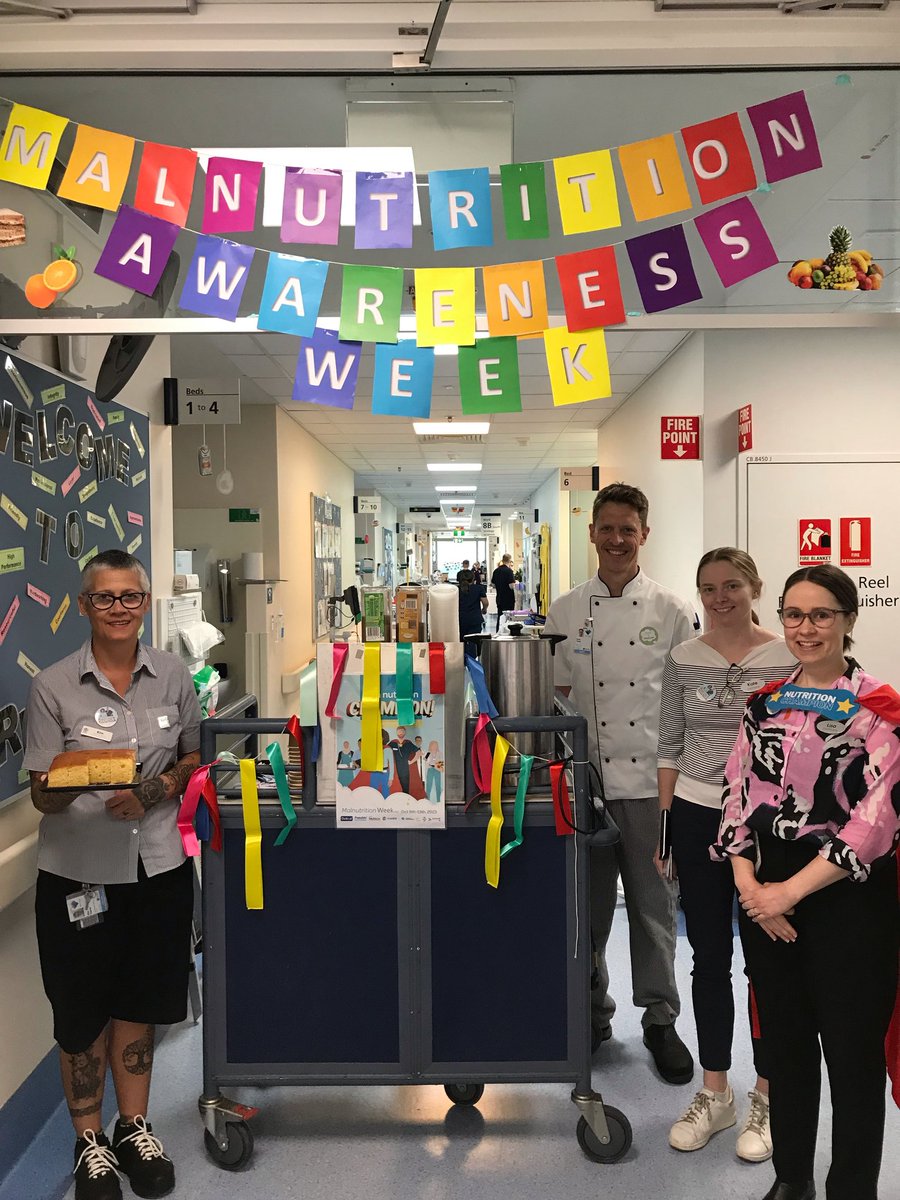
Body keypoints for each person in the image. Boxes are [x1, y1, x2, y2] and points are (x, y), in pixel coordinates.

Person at [714, 564, 900, 1200]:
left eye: (822, 615)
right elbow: (736, 795)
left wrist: (785, 894)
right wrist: (750, 887)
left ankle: (852, 1189)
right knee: (786, 1051)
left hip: (848, 902)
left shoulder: (880, 709)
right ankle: (791, 1178)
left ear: (848, 621)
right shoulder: (764, 704)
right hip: (765, 899)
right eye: (795, 614)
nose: (806, 627)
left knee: (852, 1059)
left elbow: (876, 821)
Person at [24, 549, 203, 1200]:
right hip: (81, 878)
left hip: (157, 868)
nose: (120, 608)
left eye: (130, 597)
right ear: (84, 606)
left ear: (146, 604)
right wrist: (65, 782)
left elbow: (192, 758)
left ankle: (133, 1126)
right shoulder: (52, 687)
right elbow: (41, 794)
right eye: (106, 597)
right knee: (81, 1010)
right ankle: (90, 1140)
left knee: (140, 1003)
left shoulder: (173, 675)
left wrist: (154, 789)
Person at [544, 482, 697, 1084]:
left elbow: (685, 700)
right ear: (592, 534)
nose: (616, 539)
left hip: (651, 784)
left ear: (643, 534)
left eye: (627, 529)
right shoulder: (566, 608)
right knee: (585, 910)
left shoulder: (671, 609)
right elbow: (557, 693)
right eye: (606, 528)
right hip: (584, 784)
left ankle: (660, 1019)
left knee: (654, 908)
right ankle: (590, 1013)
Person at [657, 548, 796, 1158]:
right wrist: (666, 827)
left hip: (767, 822)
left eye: (732, 585)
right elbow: (669, 741)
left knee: (766, 960)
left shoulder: (789, 655)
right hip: (694, 811)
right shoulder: (682, 657)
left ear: (755, 587)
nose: (720, 597)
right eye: (708, 587)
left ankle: (767, 1094)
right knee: (708, 955)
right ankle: (716, 1092)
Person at [457, 568, 488, 653]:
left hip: (460, 620)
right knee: (473, 643)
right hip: (475, 619)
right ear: (473, 579)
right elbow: (485, 602)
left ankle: (461, 662)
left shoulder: (456, 590)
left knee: (461, 642)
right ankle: (472, 663)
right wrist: (484, 610)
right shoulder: (479, 588)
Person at [491, 554, 516, 632]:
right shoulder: (509, 571)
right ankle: (508, 632)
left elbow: (493, 584)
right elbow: (511, 586)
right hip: (508, 598)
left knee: (500, 616)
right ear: (509, 560)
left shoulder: (496, 571)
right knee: (509, 617)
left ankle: (498, 631)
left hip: (499, 598)